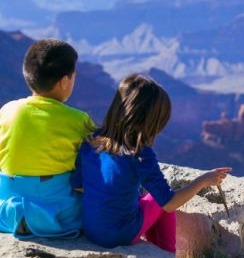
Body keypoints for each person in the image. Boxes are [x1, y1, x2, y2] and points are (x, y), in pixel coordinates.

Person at [72, 74, 231, 253]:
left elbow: (79, 187)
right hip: (120, 234)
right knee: (160, 198)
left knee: (143, 199)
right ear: (150, 120)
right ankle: (166, 252)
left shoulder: (90, 141)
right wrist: (204, 180)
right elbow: (169, 203)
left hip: (91, 230)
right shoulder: (140, 154)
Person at [0, 39, 95, 239]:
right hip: (59, 217)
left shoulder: (7, 110)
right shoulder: (79, 120)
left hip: (8, 214)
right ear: (65, 81)